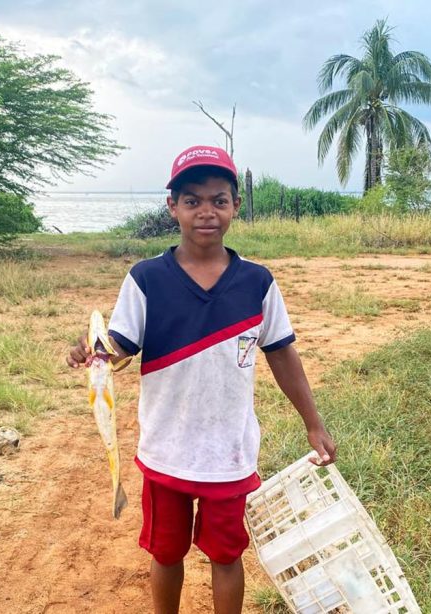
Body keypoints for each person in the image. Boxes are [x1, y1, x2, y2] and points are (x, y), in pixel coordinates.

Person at [67, 145, 337, 614]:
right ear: (172, 207)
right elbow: (120, 349)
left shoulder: (257, 283)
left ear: (236, 205)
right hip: (166, 450)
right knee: (166, 554)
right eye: (192, 200)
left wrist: (313, 423)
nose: (206, 212)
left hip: (229, 453)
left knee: (226, 555)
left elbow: (282, 355)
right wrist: (93, 355)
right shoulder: (146, 278)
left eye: (219, 199)